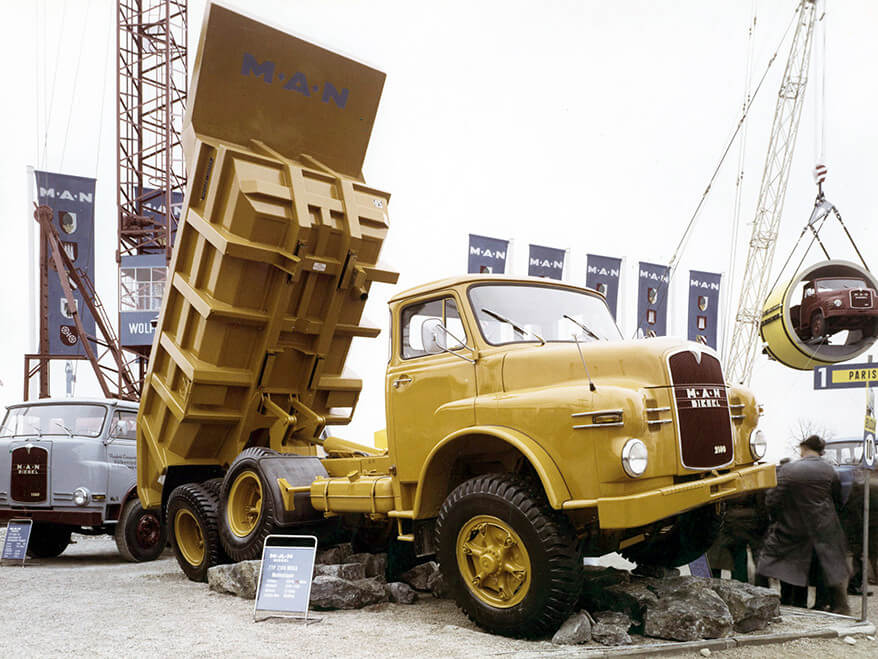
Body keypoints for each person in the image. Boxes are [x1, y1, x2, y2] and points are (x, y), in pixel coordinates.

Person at [757, 435, 850, 614]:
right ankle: (832, 606)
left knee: (773, 564)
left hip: (794, 526)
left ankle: (787, 605)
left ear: (803, 448)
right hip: (825, 526)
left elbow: (773, 500)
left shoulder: (789, 469)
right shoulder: (830, 470)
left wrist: (780, 518)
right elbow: (838, 500)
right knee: (827, 566)